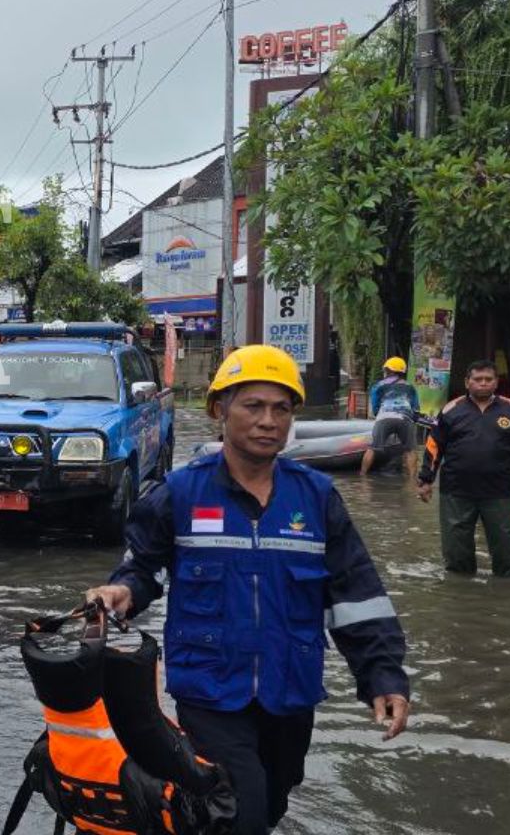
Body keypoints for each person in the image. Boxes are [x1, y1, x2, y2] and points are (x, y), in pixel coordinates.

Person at [86, 345, 409, 835]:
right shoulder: (181, 493)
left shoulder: (316, 498)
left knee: (273, 799)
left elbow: (356, 593)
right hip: (210, 687)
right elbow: (142, 568)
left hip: (290, 688)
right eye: (253, 406)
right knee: (241, 808)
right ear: (220, 410)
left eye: (281, 409)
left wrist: (382, 676)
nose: (268, 421)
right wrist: (120, 593)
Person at [418, 359, 510, 577]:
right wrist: (426, 479)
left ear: (496, 383)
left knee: (506, 548)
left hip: (498, 491)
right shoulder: (451, 410)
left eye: (488, 379)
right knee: (456, 551)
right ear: (467, 382)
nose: (483, 383)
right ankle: (460, 593)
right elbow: (434, 447)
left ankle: (509, 594)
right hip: (456, 491)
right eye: (477, 379)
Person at [359, 356, 422, 478]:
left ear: (389, 370)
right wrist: (413, 420)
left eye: (386, 369)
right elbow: (416, 408)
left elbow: (375, 406)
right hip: (405, 418)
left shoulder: (378, 386)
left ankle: (362, 477)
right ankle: (412, 481)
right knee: (410, 450)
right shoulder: (410, 386)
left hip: (384, 417)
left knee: (372, 448)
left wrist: (380, 416)